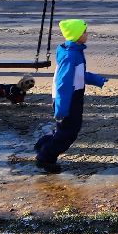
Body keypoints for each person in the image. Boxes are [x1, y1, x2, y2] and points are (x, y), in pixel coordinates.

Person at [35, 18, 107, 172]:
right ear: (76, 35)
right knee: (69, 133)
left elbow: (79, 75)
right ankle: (45, 157)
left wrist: (97, 79)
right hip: (68, 99)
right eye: (84, 32)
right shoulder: (70, 56)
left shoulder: (75, 52)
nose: (87, 34)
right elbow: (63, 83)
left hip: (73, 97)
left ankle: (44, 144)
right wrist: (61, 108)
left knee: (67, 129)